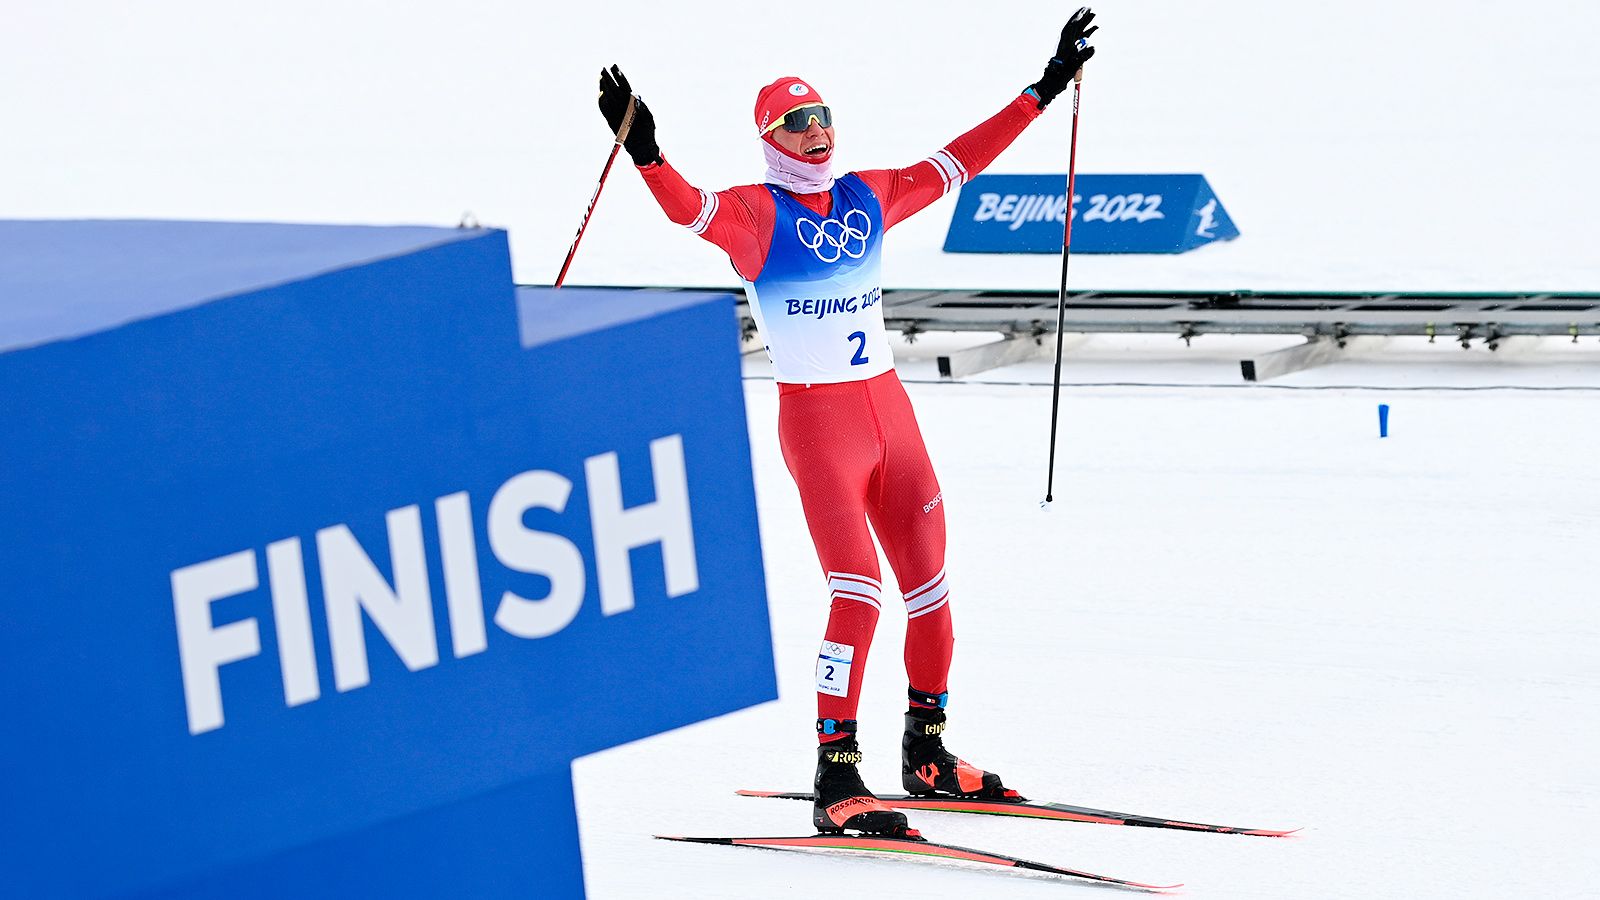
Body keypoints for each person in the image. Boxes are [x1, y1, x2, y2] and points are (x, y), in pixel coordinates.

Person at [597, 9, 1098, 838]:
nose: (817, 131)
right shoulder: (756, 216)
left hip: (890, 413)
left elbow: (959, 161)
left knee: (931, 586)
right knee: (858, 592)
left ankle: (927, 753)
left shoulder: (868, 193)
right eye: (798, 122)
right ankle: (836, 772)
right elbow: (689, 211)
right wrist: (646, 152)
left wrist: (1041, 90)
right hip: (821, 425)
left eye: (823, 115)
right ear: (771, 139)